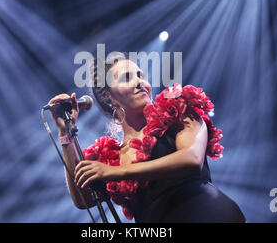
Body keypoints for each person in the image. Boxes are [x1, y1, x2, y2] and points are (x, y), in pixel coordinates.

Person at [47, 53, 245, 222]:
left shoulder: (177, 109)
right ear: (108, 97)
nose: (139, 81)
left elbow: (191, 159)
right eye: (127, 77)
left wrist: (116, 172)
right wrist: (65, 134)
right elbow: (84, 200)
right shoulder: (110, 159)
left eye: (140, 75)